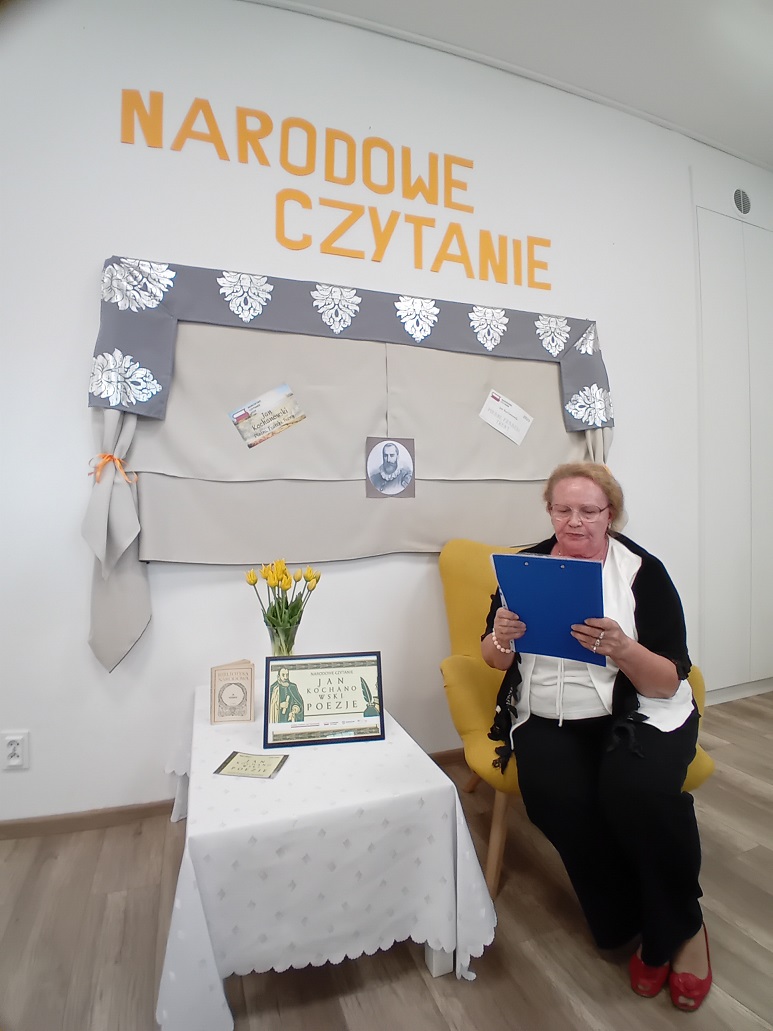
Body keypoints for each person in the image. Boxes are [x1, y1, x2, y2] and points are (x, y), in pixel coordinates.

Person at [481, 462, 712, 1011]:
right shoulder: (525, 569)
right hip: (548, 716)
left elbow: (667, 679)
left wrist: (623, 649)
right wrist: (502, 636)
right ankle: (632, 916)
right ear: (549, 511)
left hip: (635, 714)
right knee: (554, 801)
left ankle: (682, 927)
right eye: (563, 509)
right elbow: (493, 658)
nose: (575, 521)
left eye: (589, 511)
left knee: (638, 792)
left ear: (611, 515)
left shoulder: (641, 573)